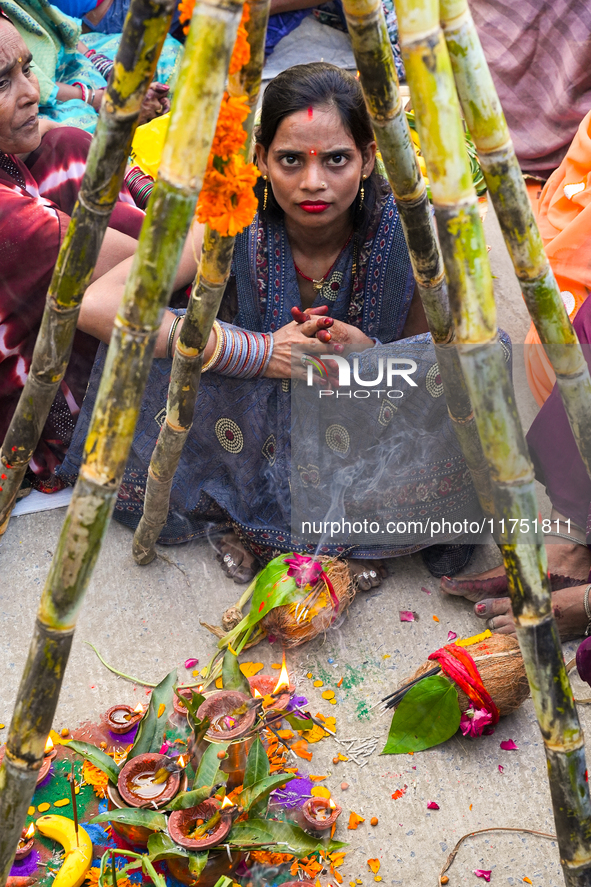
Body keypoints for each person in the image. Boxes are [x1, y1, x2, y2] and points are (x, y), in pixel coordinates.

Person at [0, 36, 484, 587]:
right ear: (259, 158)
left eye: (337, 160)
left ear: (370, 158)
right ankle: (272, 523)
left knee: (473, 368)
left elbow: (423, 360)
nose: (313, 183)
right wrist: (259, 352)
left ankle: (289, 528)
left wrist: (365, 356)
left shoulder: (408, 233)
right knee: (160, 356)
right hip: (248, 411)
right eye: (289, 160)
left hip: (362, 407)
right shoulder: (228, 216)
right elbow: (98, 306)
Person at [0, 0, 178, 131]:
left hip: (70, 61)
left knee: (160, 50)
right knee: (78, 136)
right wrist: (107, 101)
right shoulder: (28, 90)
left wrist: (101, 64)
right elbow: (39, 88)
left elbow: (59, 29)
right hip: (48, 102)